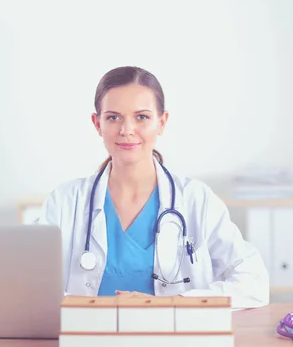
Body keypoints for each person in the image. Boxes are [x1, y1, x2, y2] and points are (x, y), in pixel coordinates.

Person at [36, 66, 269, 309]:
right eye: (113, 117)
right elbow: (29, 283)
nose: (127, 130)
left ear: (162, 122)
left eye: (142, 117)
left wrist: (173, 303)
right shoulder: (64, 202)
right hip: (87, 340)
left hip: (174, 341)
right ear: (97, 124)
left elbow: (254, 283)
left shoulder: (196, 200)